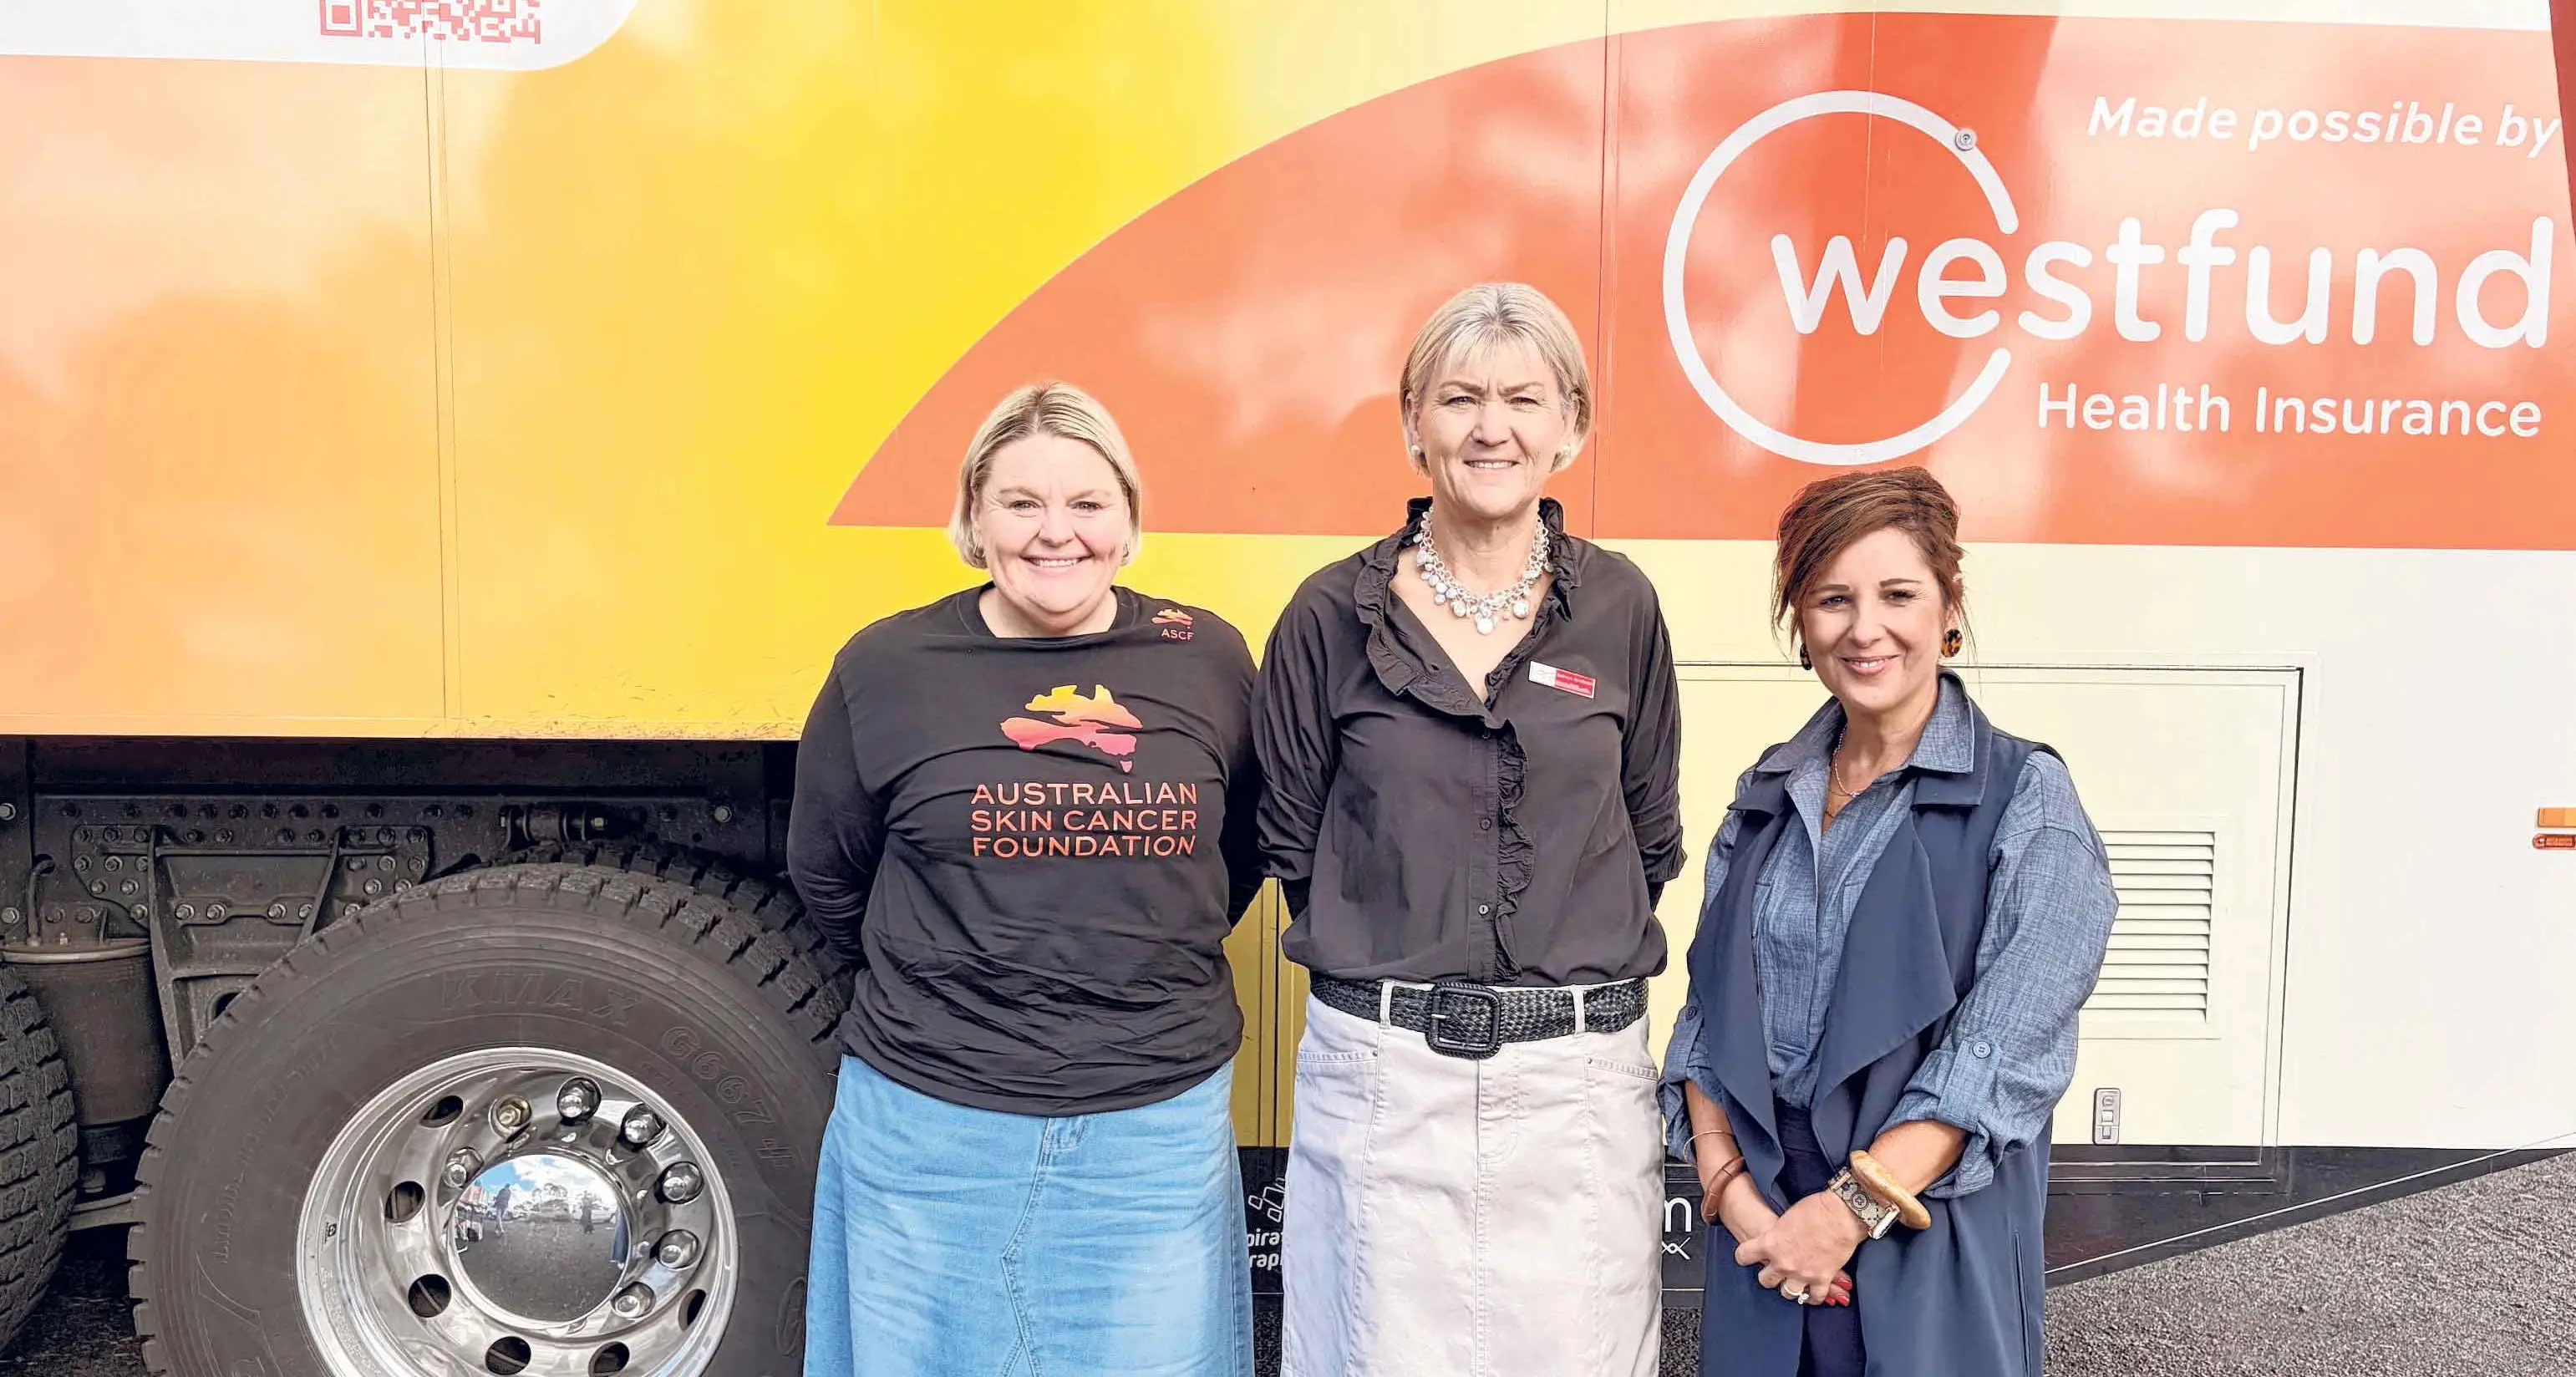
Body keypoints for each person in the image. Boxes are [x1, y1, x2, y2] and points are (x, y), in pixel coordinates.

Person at [788, 381, 1263, 1377]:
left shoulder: (1207, 659)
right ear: (970, 518)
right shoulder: (885, 667)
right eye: (1020, 503)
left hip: (1150, 1134)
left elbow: (1239, 857)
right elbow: (830, 875)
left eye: (1087, 504)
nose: (1057, 534)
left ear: (1129, 521)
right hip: (931, 1127)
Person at [1253, 282, 1684, 1377]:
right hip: (1383, 1080)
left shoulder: (1620, 607)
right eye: (1457, 399)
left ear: (1568, 428)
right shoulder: (1325, 615)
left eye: (1521, 400)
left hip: (1574, 1088)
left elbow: (1649, 826)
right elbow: (1296, 841)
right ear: (1412, 424)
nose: (1490, 428)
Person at [1660, 467, 2120, 1376]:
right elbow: (1705, 1019)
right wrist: (1743, 1204)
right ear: (1800, 623)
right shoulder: (1764, 796)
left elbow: (1998, 1054)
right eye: (1831, 599)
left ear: (1948, 606)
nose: (1864, 628)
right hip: (1766, 1240)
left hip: (1925, 1227)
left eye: (1896, 594)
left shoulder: (2026, 800)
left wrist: (1843, 1214)